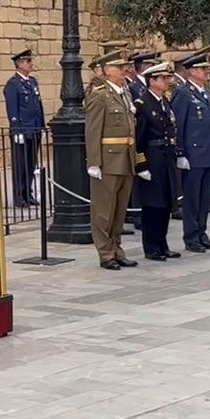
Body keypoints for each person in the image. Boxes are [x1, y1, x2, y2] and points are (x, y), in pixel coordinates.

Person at [84, 51, 139, 269]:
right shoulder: (99, 94)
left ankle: (117, 248)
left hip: (125, 158)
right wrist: (94, 162)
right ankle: (105, 253)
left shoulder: (124, 93)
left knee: (119, 210)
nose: (124, 70)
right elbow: (93, 129)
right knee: (103, 211)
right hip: (108, 160)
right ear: (107, 70)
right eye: (119, 67)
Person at [173, 53, 210, 252]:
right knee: (192, 198)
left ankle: (202, 232)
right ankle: (191, 236)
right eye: (203, 69)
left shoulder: (206, 92)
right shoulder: (183, 93)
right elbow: (178, 124)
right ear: (192, 71)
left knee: (204, 199)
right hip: (193, 154)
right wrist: (180, 153)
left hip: (209, 152)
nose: (207, 71)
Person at [133, 63, 179, 260]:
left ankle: (163, 243)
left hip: (166, 156)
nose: (166, 81)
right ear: (151, 81)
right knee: (153, 205)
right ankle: (151, 247)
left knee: (166, 203)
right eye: (162, 78)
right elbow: (138, 138)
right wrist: (141, 164)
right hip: (152, 157)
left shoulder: (164, 102)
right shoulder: (142, 104)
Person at [3, 48, 43, 206]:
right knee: (20, 164)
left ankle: (28, 192)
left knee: (31, 162)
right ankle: (19, 195)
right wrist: (16, 130)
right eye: (28, 61)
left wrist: (41, 125)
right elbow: (12, 108)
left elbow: (38, 106)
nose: (31, 64)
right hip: (22, 129)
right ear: (19, 64)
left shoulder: (32, 82)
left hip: (33, 128)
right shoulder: (13, 84)